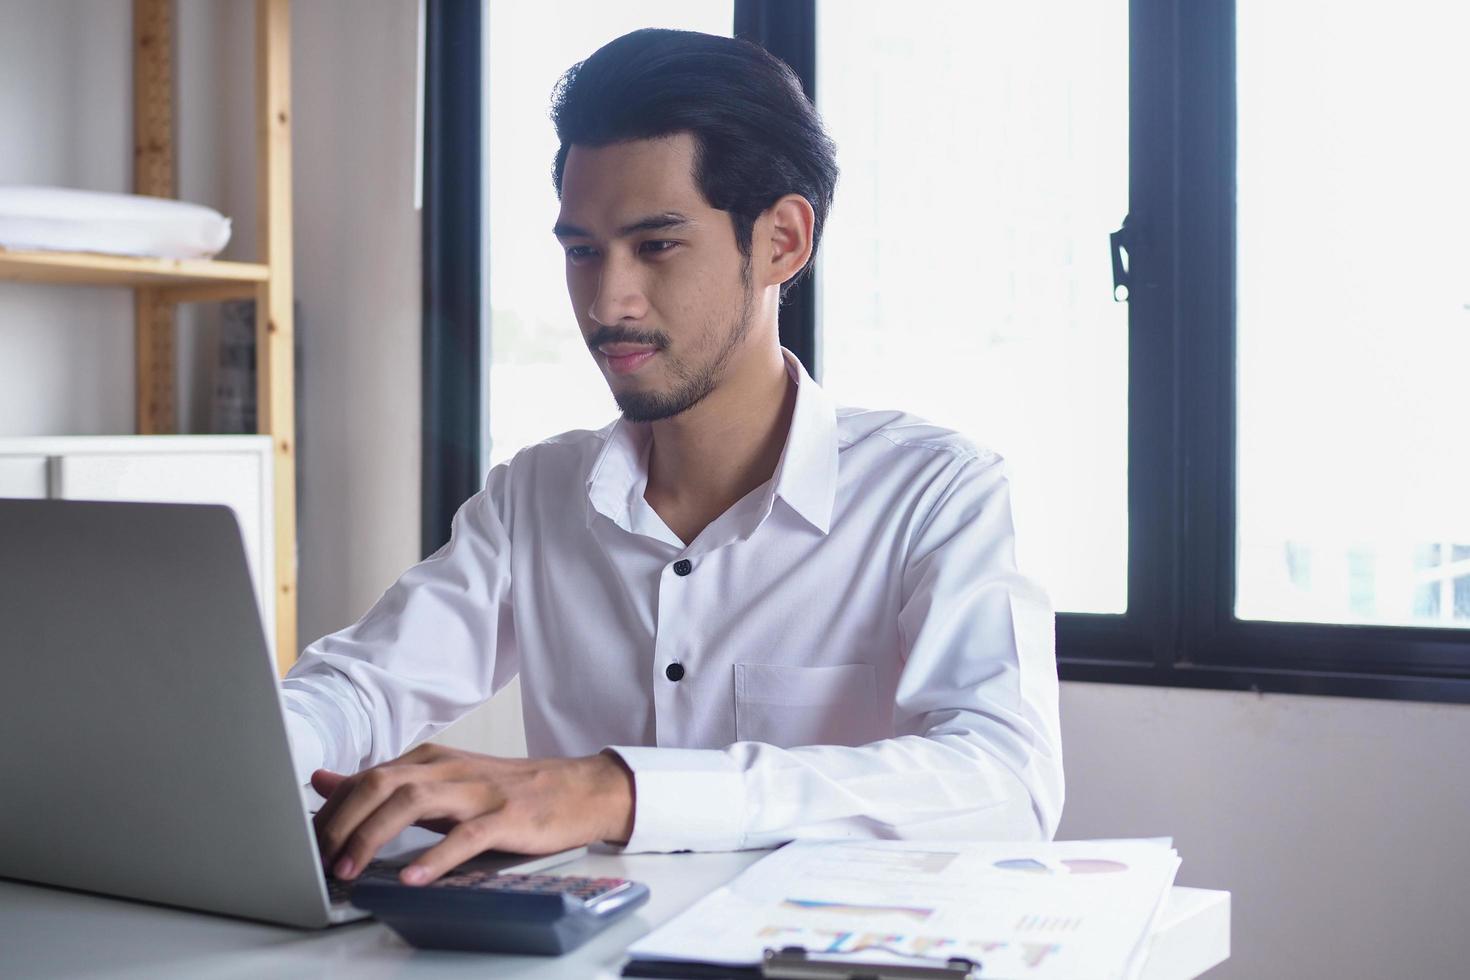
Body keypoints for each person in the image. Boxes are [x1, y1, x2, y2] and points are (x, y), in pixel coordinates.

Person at [283, 28, 1062, 889]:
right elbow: (362, 686)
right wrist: (233, 761)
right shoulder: (537, 494)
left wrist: (618, 790)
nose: (607, 301)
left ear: (782, 242)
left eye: (656, 245)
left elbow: (1006, 784)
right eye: (582, 250)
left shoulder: (934, 492)